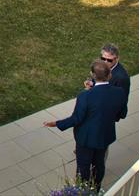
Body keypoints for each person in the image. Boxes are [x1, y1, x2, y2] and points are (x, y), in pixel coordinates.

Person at [45, 60, 127, 190]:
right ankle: (96, 189)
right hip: (105, 136)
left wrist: (56, 123)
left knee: (83, 167)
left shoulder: (85, 96)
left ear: (93, 75)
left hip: (86, 138)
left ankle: (81, 191)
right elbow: (122, 113)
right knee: (99, 165)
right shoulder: (119, 92)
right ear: (109, 75)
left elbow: (76, 118)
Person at [95, 43, 130, 115]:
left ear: (117, 58)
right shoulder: (101, 65)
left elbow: (121, 101)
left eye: (109, 60)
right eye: (103, 59)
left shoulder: (121, 78)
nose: (105, 62)